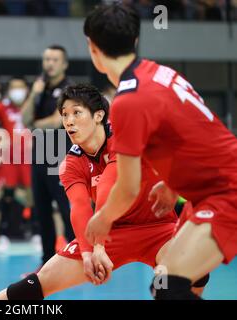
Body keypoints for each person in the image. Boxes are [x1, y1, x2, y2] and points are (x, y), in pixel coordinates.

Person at [0, 84, 209, 300]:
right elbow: (79, 206)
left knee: (182, 277)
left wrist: (98, 245)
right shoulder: (71, 163)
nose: (69, 121)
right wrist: (87, 253)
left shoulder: (123, 138)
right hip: (111, 232)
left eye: (77, 113)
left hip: (157, 228)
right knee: (41, 280)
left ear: (98, 116)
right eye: (65, 115)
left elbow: (109, 183)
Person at [83, 3, 237, 300]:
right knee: (168, 281)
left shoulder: (127, 101)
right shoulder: (160, 73)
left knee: (169, 286)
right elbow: (196, 132)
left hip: (226, 192)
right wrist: (171, 184)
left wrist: (102, 219)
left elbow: (126, 189)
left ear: (93, 48)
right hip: (211, 188)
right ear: (136, 40)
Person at [21, 45, 75, 266]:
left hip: (61, 156)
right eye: (46, 59)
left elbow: (56, 121)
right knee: (42, 211)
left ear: (64, 64)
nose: (49, 63)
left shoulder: (68, 89)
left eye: (54, 59)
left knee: (66, 209)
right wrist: (34, 92)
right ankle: (46, 261)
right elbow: (24, 119)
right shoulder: (39, 88)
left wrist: (34, 125)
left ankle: (77, 256)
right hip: (40, 155)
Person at [0, 78, 33, 251]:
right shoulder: (1, 107)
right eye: (14, 88)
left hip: (32, 156)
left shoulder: (34, 104)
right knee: (4, 194)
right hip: (9, 157)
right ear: (9, 90)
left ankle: (36, 232)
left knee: (33, 196)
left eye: (20, 87)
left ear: (26, 89)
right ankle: (1, 235)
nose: (17, 91)